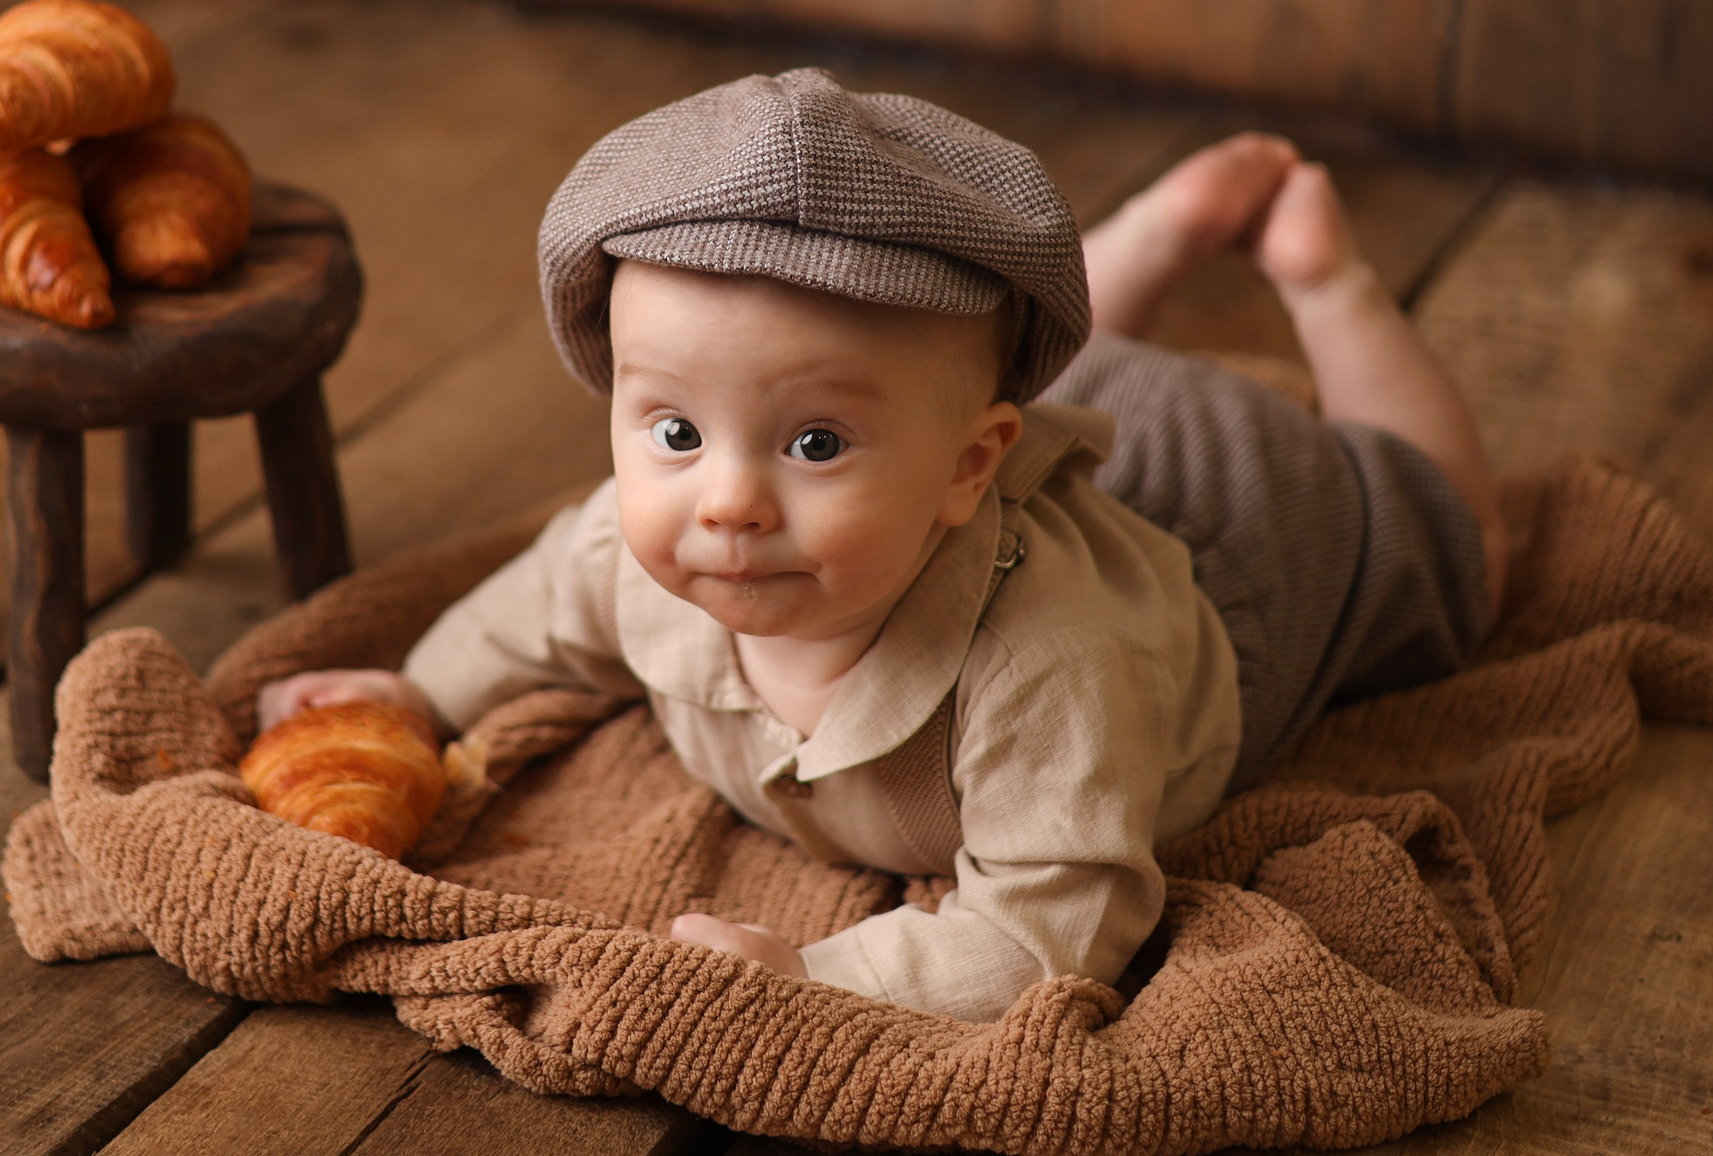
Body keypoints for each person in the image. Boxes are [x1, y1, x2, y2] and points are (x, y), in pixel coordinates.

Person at [257, 69, 1503, 1021]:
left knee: (1454, 545)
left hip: (1241, 537)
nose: (727, 504)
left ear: (977, 465)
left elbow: (1049, 928)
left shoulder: (1052, 665)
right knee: (1014, 365)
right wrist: (418, 692)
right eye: (677, 429)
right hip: (979, 423)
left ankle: (1329, 284)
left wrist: (820, 971)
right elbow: (525, 611)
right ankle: (1147, 242)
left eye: (812, 447)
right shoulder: (652, 552)